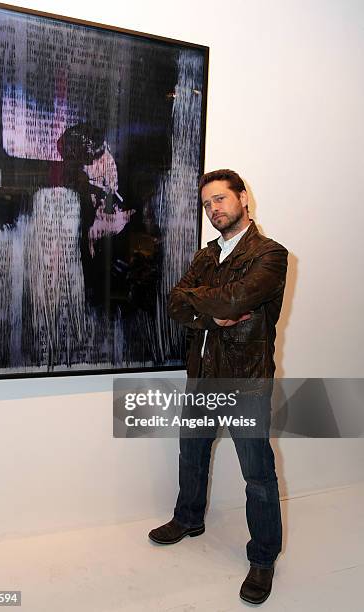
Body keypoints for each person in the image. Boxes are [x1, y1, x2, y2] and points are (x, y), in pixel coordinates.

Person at [148, 169, 288, 605]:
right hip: (202, 374)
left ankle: (263, 557)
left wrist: (207, 302)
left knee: (258, 476)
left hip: (245, 380)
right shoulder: (205, 256)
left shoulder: (271, 254)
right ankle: (188, 518)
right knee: (191, 454)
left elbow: (236, 300)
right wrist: (213, 314)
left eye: (221, 200)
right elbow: (176, 302)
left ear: (244, 199)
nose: (214, 209)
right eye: (208, 204)